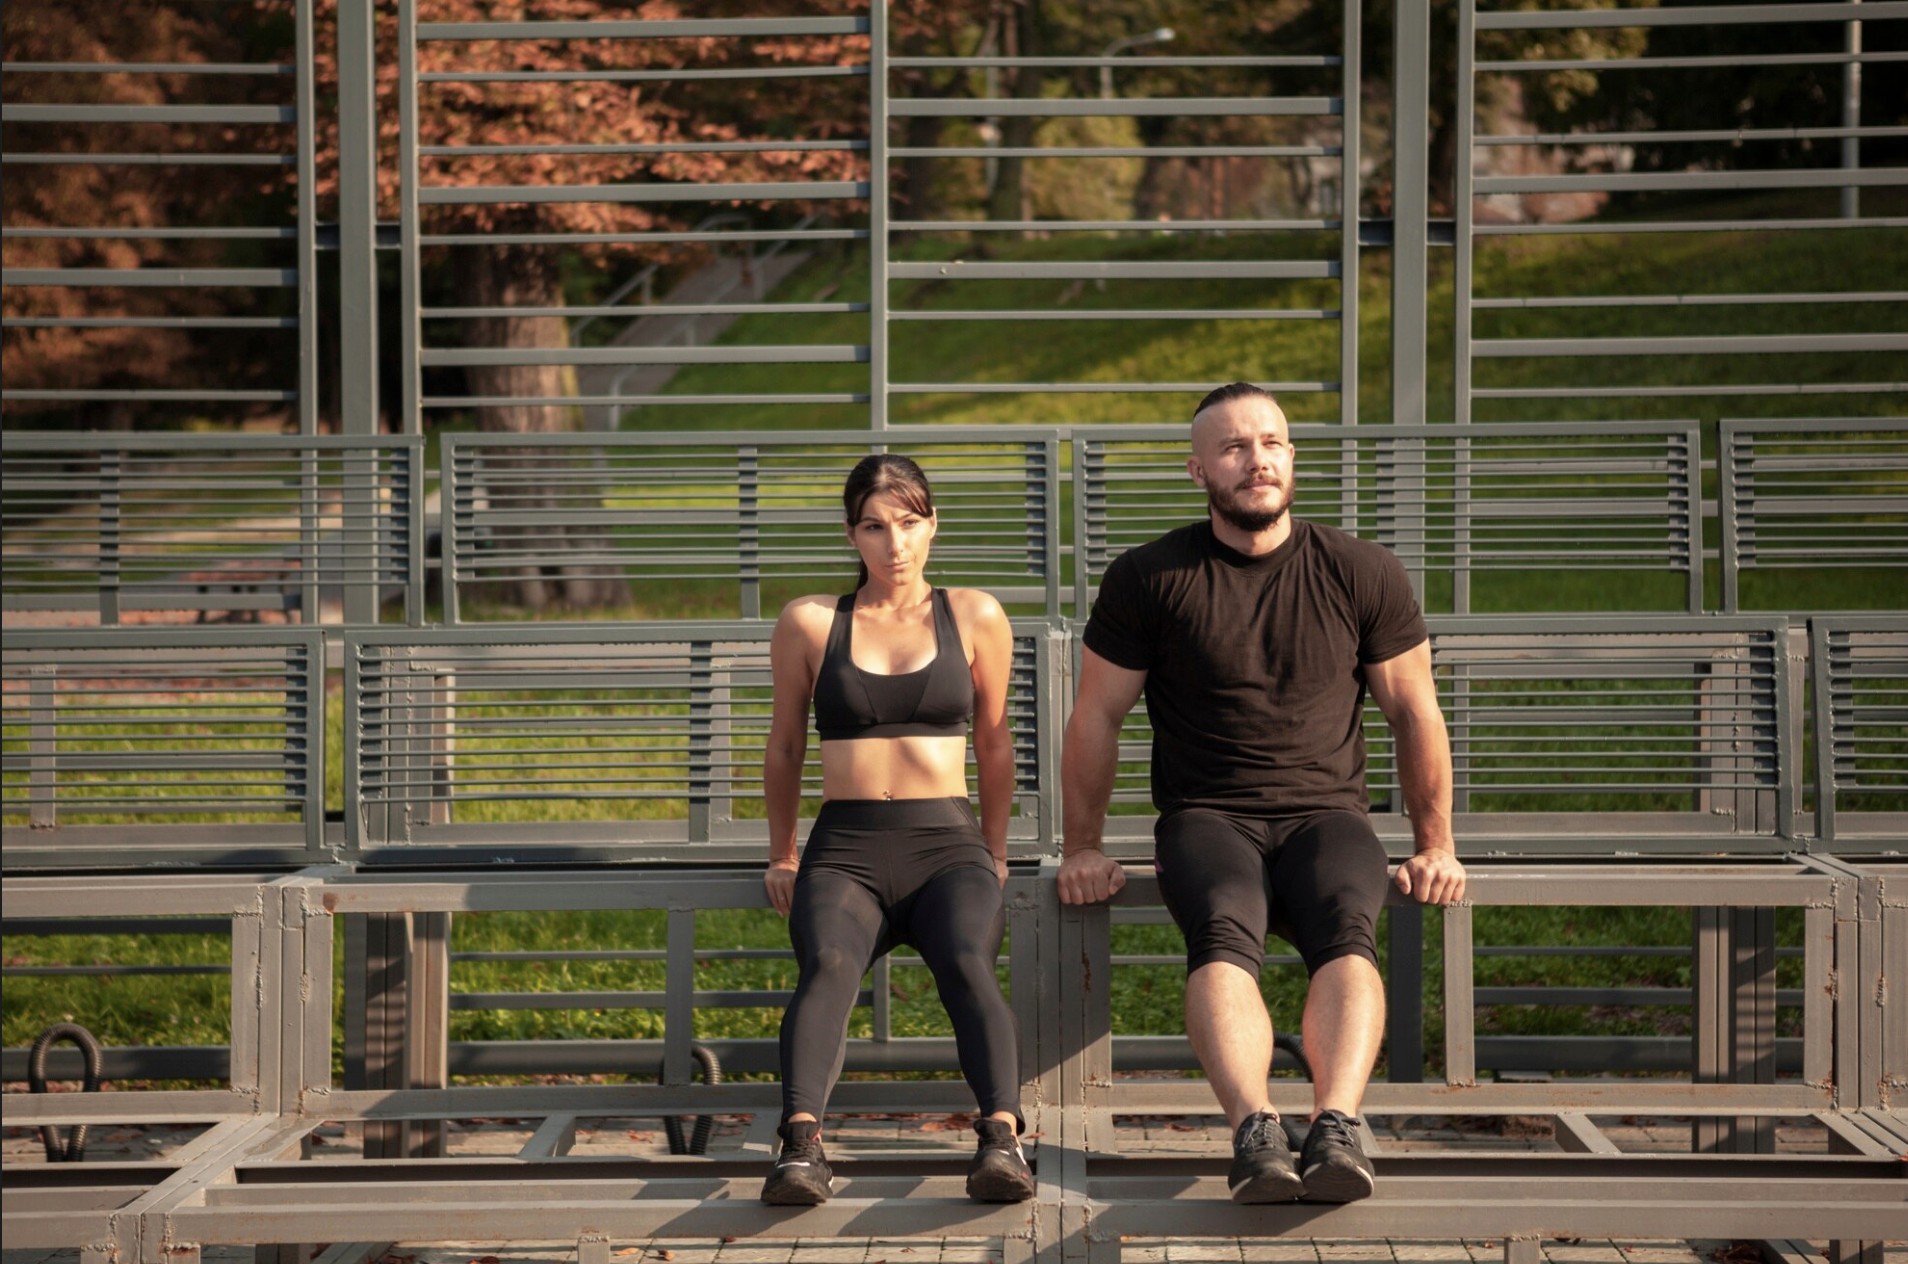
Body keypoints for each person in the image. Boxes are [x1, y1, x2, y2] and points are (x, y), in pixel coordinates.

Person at [1057, 382, 1466, 1204]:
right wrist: (1084, 847)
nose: (1258, 461)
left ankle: (1337, 1127)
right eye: (1235, 448)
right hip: (1209, 817)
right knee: (1221, 931)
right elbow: (1096, 715)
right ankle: (1255, 1131)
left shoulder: (1360, 569)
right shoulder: (1150, 575)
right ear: (1198, 468)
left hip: (1327, 816)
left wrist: (1436, 843)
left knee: (1350, 931)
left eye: (1272, 443)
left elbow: (1414, 709)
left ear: (1292, 457)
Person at [759, 453, 1034, 1206]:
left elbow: (995, 741)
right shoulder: (812, 623)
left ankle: (1001, 1140)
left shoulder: (974, 614)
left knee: (968, 962)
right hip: (845, 849)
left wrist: (997, 849)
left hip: (947, 846)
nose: (895, 543)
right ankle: (801, 1148)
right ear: (851, 535)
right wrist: (783, 852)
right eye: (875, 527)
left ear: (933, 523)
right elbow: (784, 746)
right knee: (827, 963)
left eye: (909, 523)